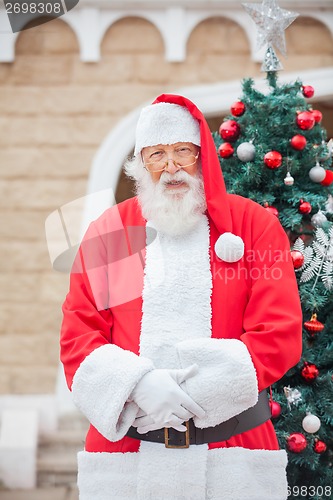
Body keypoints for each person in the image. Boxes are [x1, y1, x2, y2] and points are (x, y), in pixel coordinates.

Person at [60, 94, 302, 500]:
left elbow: (277, 333)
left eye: (182, 153)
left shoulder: (252, 225)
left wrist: (191, 398)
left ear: (201, 157)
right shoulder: (111, 231)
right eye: (157, 155)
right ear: (141, 165)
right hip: (128, 454)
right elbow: (79, 334)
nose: (171, 168)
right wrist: (138, 386)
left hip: (233, 452)